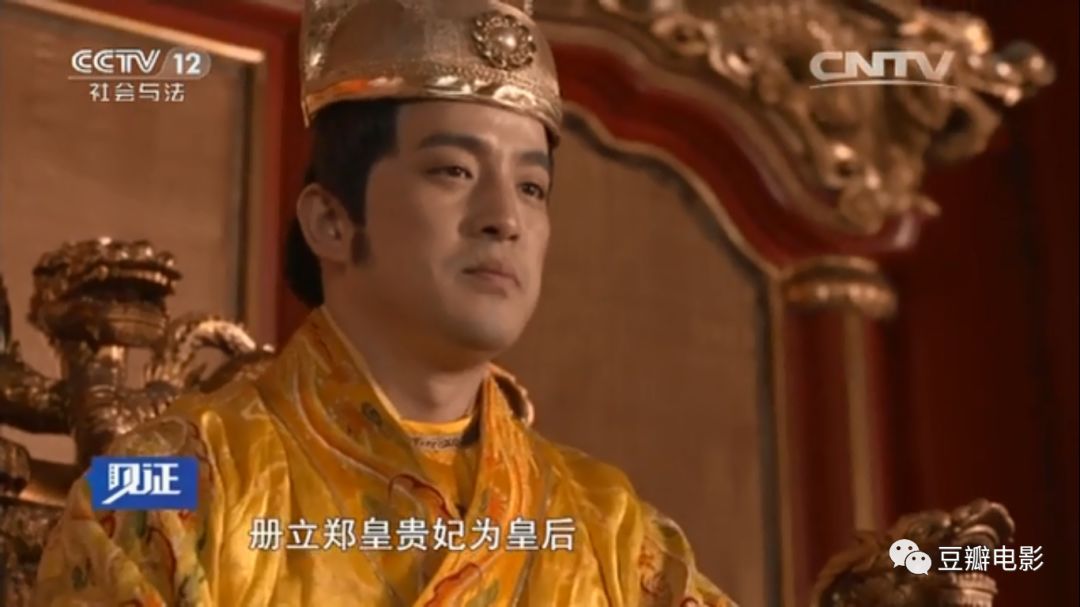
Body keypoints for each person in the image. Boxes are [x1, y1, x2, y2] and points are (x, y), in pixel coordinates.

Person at [33, 1, 736, 605]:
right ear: (330, 221)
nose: (505, 218)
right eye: (453, 170)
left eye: (532, 187)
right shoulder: (164, 481)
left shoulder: (615, 529)